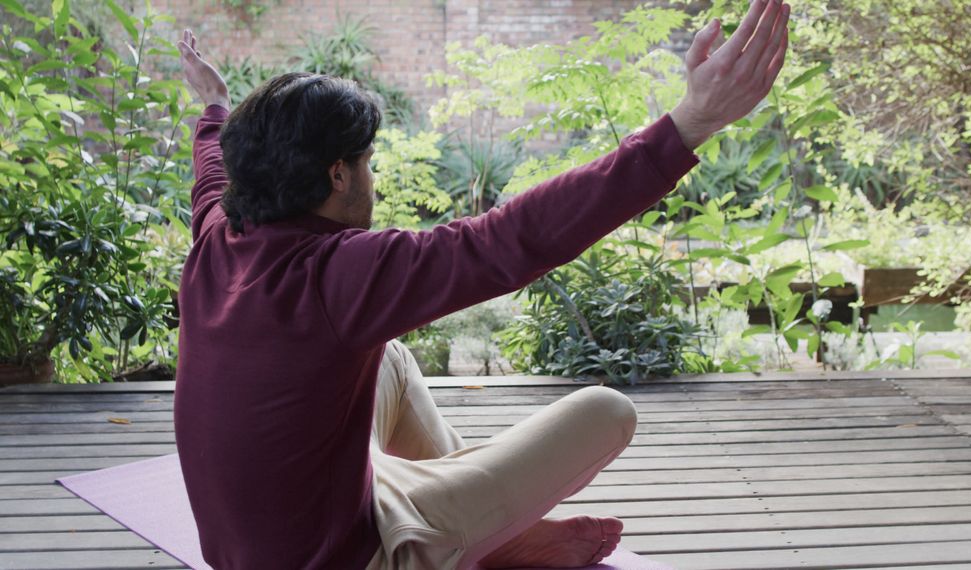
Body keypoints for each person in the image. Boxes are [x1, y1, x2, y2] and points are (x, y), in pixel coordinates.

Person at [173, 1, 789, 568]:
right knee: (608, 411)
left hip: (252, 547)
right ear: (338, 174)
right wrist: (689, 124)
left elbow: (210, 173)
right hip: (343, 561)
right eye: (367, 161)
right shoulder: (340, 276)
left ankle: (499, 534)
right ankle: (488, 543)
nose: (372, 175)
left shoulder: (218, 237)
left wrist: (215, 106)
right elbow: (509, 240)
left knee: (389, 358)